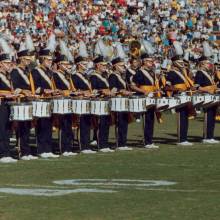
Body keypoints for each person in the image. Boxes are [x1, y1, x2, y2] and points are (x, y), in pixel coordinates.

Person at [30, 48, 59, 158]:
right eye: (48, 60)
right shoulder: (35, 71)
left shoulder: (50, 72)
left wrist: (54, 92)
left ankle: (48, 149)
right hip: (40, 101)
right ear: (42, 59)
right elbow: (35, 88)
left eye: (51, 60)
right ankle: (41, 150)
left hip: (49, 101)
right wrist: (44, 90)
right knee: (41, 126)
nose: (50, 62)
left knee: (48, 126)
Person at [10, 49, 38, 160]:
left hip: (27, 101)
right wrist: (23, 91)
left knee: (27, 127)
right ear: (21, 59)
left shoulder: (28, 71)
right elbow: (14, 87)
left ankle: (27, 151)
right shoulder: (16, 71)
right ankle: (22, 151)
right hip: (20, 102)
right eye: (26, 59)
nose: (28, 61)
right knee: (21, 127)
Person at [131, 53, 159, 149]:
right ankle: (147, 141)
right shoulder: (139, 72)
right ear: (144, 62)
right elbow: (133, 85)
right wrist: (144, 92)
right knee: (147, 119)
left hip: (152, 96)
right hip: (145, 97)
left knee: (151, 119)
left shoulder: (152, 72)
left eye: (152, 61)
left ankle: (150, 140)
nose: (152, 63)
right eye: (150, 61)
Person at [165, 55, 194, 146]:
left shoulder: (183, 73)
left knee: (185, 118)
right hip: (178, 97)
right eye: (180, 62)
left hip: (185, 96)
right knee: (181, 117)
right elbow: (166, 87)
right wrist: (177, 89)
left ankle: (184, 138)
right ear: (174, 63)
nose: (182, 64)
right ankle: (181, 139)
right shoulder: (171, 73)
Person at [52, 54, 77, 156]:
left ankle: (69, 148)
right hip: (62, 102)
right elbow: (58, 89)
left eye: (68, 64)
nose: (67, 66)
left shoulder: (67, 75)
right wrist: (68, 92)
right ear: (59, 64)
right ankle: (64, 148)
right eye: (65, 64)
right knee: (63, 125)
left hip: (69, 101)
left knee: (69, 125)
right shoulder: (56, 75)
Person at [71, 56, 96, 154]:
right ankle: (83, 146)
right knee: (81, 124)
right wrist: (83, 93)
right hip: (80, 102)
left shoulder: (86, 75)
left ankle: (87, 146)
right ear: (78, 65)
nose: (86, 65)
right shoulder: (74, 76)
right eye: (84, 64)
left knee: (87, 124)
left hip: (88, 101)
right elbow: (75, 90)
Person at [90, 56, 114, 152]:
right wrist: (103, 91)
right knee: (101, 124)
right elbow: (94, 90)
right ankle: (101, 144)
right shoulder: (93, 76)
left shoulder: (105, 76)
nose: (105, 66)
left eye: (105, 65)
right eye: (103, 65)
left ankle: (105, 144)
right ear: (97, 65)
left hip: (106, 102)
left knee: (106, 124)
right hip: (99, 103)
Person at [109, 57, 132, 150]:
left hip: (124, 101)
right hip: (118, 101)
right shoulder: (113, 76)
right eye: (121, 65)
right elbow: (112, 89)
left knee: (124, 123)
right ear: (115, 66)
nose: (124, 67)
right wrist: (121, 91)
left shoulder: (122, 76)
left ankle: (123, 143)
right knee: (120, 122)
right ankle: (120, 143)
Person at [194, 56, 219, 144]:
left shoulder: (207, 73)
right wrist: (208, 90)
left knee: (212, 117)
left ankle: (210, 136)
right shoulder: (200, 73)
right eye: (208, 63)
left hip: (212, 97)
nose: (209, 65)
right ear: (202, 63)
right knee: (208, 117)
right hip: (206, 97)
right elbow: (196, 87)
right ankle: (206, 137)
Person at [0, 53, 17, 163]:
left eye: (9, 63)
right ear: (1, 63)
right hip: (1, 103)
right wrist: (4, 95)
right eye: (6, 63)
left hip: (8, 103)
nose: (9, 65)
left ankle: (6, 152)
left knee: (7, 129)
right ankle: (2, 154)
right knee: (1, 129)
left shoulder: (7, 75)